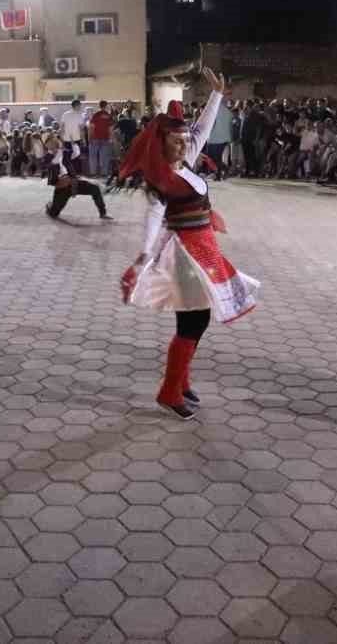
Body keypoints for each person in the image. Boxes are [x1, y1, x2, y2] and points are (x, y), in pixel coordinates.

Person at [119, 68, 258, 419]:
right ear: (161, 143)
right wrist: (141, 260)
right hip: (185, 256)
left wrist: (217, 96)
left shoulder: (185, 162)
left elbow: (203, 130)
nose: (185, 144)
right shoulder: (160, 181)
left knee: (197, 321)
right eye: (177, 140)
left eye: (185, 140)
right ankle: (170, 390)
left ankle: (180, 382)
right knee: (193, 323)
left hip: (204, 251)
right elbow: (152, 223)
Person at [46, 140, 112, 222]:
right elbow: (53, 166)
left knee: (95, 189)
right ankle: (50, 206)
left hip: (74, 183)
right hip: (62, 188)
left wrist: (73, 143)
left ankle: (103, 213)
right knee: (54, 213)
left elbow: (76, 153)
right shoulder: (48, 157)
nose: (52, 148)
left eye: (54, 145)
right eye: (50, 146)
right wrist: (60, 152)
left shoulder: (65, 153)